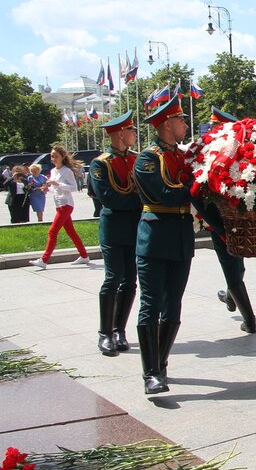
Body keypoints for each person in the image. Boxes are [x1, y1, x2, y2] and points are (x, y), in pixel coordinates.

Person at [133, 96, 194, 395]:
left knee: (173, 307)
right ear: (167, 124)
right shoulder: (146, 158)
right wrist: (198, 185)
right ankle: (150, 373)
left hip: (181, 237)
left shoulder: (183, 156)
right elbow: (165, 195)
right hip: (155, 239)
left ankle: (162, 361)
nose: (185, 124)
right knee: (151, 305)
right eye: (181, 120)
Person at [193, 106, 256, 335]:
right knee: (235, 266)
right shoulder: (219, 154)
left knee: (233, 268)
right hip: (228, 222)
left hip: (226, 222)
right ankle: (232, 297)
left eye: (214, 127)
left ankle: (248, 319)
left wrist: (216, 225)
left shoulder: (222, 156)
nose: (211, 131)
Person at [89, 110, 142, 357]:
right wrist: (139, 201)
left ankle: (120, 330)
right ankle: (105, 332)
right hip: (113, 229)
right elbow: (108, 199)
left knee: (130, 280)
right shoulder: (101, 163)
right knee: (113, 277)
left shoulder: (136, 159)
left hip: (134, 228)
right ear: (120, 133)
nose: (134, 134)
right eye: (131, 130)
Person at [29, 146, 90, 269]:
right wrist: (47, 188)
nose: (53, 158)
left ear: (62, 157)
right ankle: (84, 256)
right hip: (59, 205)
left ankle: (44, 260)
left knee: (52, 231)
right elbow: (55, 189)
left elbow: (73, 187)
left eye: (56, 156)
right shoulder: (53, 171)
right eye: (52, 156)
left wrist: (57, 183)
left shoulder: (66, 171)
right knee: (71, 232)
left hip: (66, 204)